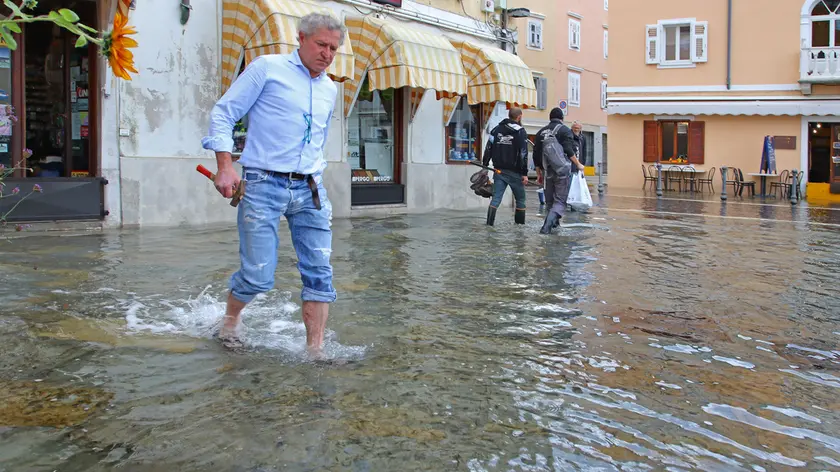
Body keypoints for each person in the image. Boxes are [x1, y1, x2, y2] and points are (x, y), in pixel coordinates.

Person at [201, 12, 344, 357]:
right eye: (321, 44)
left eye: (334, 49)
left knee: (320, 273)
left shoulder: (329, 89)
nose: (327, 53)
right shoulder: (268, 68)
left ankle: (315, 351)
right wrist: (225, 166)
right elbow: (223, 113)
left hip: (310, 188)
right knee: (259, 276)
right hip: (263, 183)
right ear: (301, 38)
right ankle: (231, 319)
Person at [532, 107, 584, 234]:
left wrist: (538, 172)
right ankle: (546, 228)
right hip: (561, 171)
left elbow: (536, 154)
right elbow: (568, 149)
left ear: (549, 118)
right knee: (560, 201)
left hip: (546, 171)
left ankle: (555, 226)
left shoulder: (540, 132)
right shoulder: (565, 130)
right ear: (562, 118)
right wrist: (578, 164)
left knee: (550, 201)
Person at [482, 107, 529, 226]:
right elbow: (523, 153)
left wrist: (485, 165)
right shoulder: (520, 131)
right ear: (519, 117)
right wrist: (524, 173)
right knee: (521, 200)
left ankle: (489, 225)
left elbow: (488, 149)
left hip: (499, 171)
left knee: (496, 199)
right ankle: (520, 228)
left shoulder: (495, 130)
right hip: (515, 172)